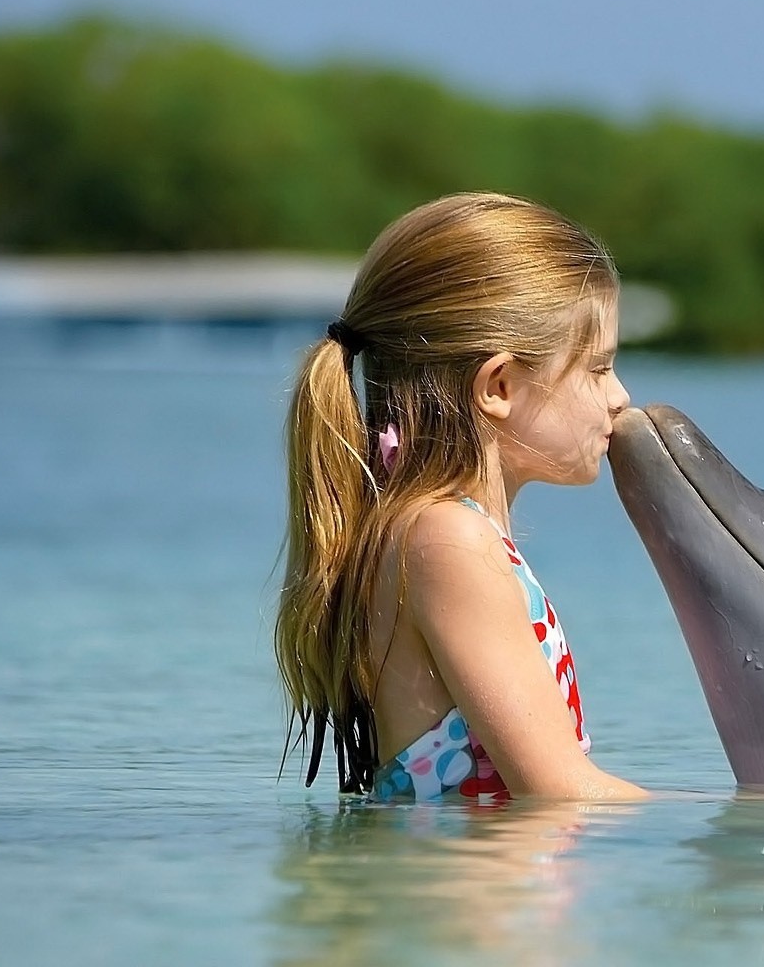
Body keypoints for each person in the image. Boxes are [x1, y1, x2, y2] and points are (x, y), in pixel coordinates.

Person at [274, 192, 647, 802]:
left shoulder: (432, 531)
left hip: (465, 893)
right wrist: (761, 825)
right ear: (498, 385)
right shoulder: (447, 538)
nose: (620, 397)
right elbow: (560, 792)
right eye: (598, 368)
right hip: (456, 896)